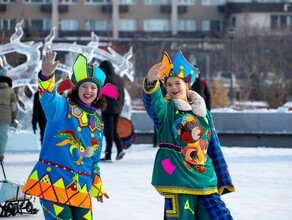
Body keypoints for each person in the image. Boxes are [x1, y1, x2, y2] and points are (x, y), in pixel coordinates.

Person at [22, 51, 118, 219]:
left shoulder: (97, 122)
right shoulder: (62, 108)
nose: (88, 91)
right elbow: (48, 98)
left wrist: (96, 182)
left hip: (81, 185)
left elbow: (93, 157)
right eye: (84, 86)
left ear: (99, 92)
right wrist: (46, 76)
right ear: (75, 88)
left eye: (93, 87)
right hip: (53, 181)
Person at [143, 51, 235, 219]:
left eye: (177, 83)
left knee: (220, 216)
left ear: (187, 84)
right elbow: (154, 105)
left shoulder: (203, 112)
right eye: (169, 84)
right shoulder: (166, 109)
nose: (173, 88)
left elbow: (213, 144)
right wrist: (150, 82)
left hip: (204, 176)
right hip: (176, 176)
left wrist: (221, 175)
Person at [99, 60, 125, 162]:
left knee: (108, 132)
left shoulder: (105, 79)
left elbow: (101, 93)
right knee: (113, 130)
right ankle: (119, 149)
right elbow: (122, 94)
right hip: (117, 108)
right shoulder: (119, 78)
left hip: (108, 108)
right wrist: (121, 106)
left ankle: (108, 155)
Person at [0, 71, 17, 163]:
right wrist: (13, 118)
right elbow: (14, 107)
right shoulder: (10, 91)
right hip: (5, 116)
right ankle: (0, 155)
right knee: (3, 136)